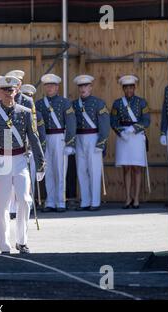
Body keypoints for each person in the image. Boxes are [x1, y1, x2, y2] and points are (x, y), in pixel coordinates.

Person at [0, 76, 45, 254]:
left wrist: (40, 164)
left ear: (16, 91)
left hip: (19, 160)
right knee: (2, 206)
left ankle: (22, 241)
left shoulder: (24, 112)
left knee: (24, 201)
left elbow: (34, 137)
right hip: (1, 161)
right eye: (5, 90)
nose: (9, 94)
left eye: (12, 90)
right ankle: (4, 245)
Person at [35, 74, 76, 213]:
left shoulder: (65, 102)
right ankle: (50, 201)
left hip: (59, 138)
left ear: (57, 87)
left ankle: (61, 201)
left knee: (60, 170)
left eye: (52, 85)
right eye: (47, 85)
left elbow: (71, 123)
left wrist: (70, 143)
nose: (50, 87)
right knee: (49, 170)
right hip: (45, 138)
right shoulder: (39, 104)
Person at [110, 75, 150, 209]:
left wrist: (134, 128)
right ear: (123, 88)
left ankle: (136, 198)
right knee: (126, 168)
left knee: (137, 168)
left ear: (134, 87)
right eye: (126, 87)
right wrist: (121, 132)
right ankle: (127, 198)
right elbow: (113, 121)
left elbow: (146, 120)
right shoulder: (117, 103)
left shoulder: (142, 102)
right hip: (123, 137)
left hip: (137, 136)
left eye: (131, 87)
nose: (128, 90)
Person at [72, 75, 110, 211]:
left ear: (91, 87)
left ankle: (95, 202)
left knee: (94, 171)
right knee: (82, 170)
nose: (83, 89)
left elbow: (105, 125)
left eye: (85, 86)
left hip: (93, 137)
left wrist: (101, 142)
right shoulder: (74, 104)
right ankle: (85, 201)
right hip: (79, 138)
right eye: (80, 86)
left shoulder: (98, 103)